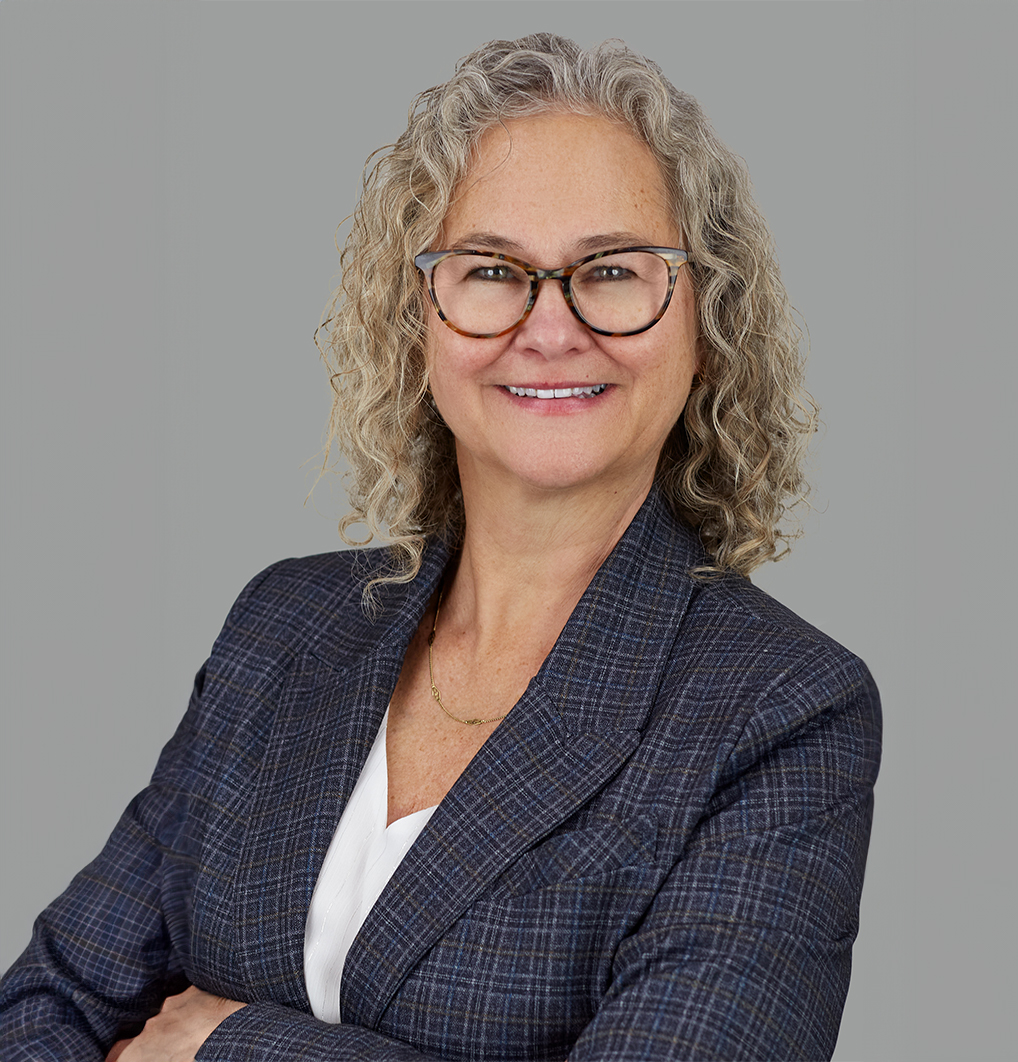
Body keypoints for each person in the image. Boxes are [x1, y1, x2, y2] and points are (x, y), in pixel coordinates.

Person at [0, 32, 881, 1062]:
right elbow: (43, 1009)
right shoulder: (282, 630)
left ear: (706, 322)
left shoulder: (780, 709)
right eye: (493, 270)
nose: (550, 328)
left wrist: (224, 1045)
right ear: (417, 320)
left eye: (611, 270)